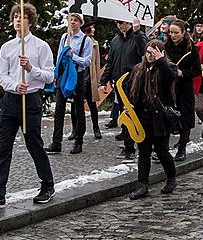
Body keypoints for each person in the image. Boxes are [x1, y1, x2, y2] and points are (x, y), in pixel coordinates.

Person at [0, 4, 56, 210]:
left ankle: (47, 184)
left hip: (30, 101)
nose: (18, 20)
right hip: (11, 100)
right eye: (15, 17)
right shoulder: (7, 47)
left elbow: (50, 76)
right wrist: (14, 85)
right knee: (3, 148)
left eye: (22, 17)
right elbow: (1, 75)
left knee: (33, 144)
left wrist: (31, 69)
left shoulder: (41, 46)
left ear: (30, 21)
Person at [126, 39, 178, 200]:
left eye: (154, 53)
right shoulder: (138, 69)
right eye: (148, 52)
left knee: (162, 151)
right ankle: (142, 185)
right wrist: (128, 107)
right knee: (144, 151)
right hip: (142, 117)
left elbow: (170, 78)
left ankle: (171, 178)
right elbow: (130, 89)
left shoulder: (167, 67)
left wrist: (160, 60)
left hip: (160, 117)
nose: (150, 56)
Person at [99, 18, 146, 160]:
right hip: (119, 84)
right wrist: (104, 81)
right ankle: (129, 146)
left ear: (129, 23)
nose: (120, 25)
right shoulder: (115, 41)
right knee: (124, 114)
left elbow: (142, 51)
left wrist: (137, 32)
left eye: (122, 22)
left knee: (134, 114)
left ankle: (135, 146)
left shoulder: (139, 36)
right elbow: (110, 62)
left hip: (134, 83)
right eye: (117, 23)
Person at [46, 13, 92, 155]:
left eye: (76, 20)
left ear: (80, 23)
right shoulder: (64, 37)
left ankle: (79, 141)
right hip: (64, 75)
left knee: (79, 109)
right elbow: (60, 56)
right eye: (71, 20)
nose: (72, 23)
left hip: (77, 75)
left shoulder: (86, 40)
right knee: (59, 109)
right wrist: (56, 72)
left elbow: (87, 61)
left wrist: (73, 56)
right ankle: (56, 142)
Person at [164, 20, 200, 162]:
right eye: (170, 32)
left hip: (184, 87)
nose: (173, 35)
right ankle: (163, 150)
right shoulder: (165, 47)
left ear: (183, 33)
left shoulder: (191, 48)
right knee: (166, 116)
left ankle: (182, 149)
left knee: (185, 118)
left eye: (176, 33)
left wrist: (182, 73)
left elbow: (197, 70)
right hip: (167, 87)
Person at [80, 20, 103, 140]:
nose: (93, 30)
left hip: (90, 78)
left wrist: (98, 80)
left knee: (92, 105)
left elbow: (97, 62)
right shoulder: (78, 41)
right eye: (91, 28)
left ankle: (96, 128)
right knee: (77, 107)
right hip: (79, 77)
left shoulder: (94, 43)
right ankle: (76, 130)